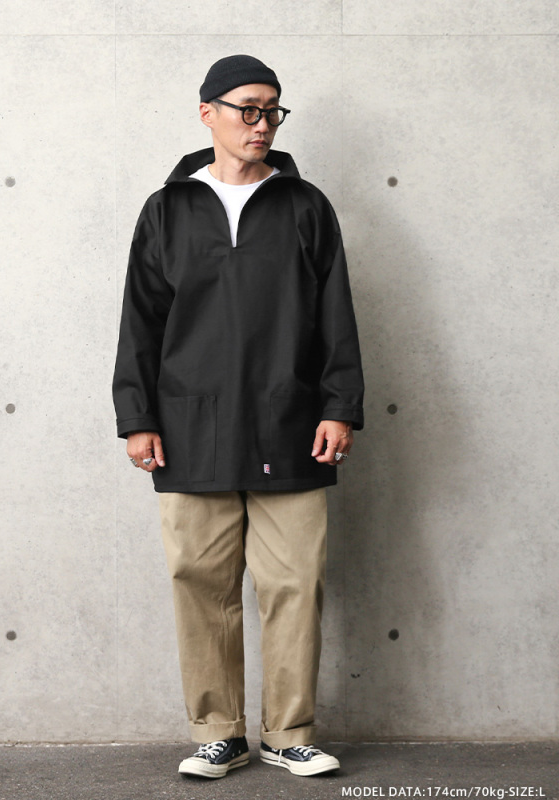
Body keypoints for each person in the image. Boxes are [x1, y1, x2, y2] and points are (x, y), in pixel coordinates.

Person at [112, 54, 364, 780]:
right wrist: (137, 416)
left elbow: (336, 314)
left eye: (273, 110)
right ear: (208, 114)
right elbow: (141, 321)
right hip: (188, 425)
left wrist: (340, 406)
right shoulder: (167, 210)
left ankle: (289, 733)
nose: (263, 123)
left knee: (295, 584)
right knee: (200, 581)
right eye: (248, 108)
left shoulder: (305, 206)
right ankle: (218, 733)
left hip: (291, 421)